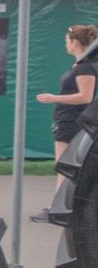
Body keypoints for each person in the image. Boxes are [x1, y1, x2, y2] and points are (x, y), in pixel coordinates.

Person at [31, 24, 97, 220]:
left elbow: (86, 97)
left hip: (71, 122)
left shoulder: (85, 67)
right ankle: (65, 207)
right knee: (68, 166)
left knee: (65, 166)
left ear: (76, 42)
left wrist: (54, 98)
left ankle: (58, 208)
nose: (65, 44)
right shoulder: (80, 65)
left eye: (67, 41)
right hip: (66, 120)